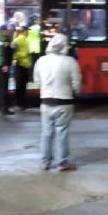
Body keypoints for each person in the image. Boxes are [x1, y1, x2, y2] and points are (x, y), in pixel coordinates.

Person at [33, 33, 81, 172]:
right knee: (62, 132)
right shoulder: (71, 61)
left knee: (46, 133)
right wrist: (74, 92)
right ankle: (62, 163)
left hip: (46, 102)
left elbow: (37, 82)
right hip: (65, 102)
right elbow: (76, 84)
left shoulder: (41, 61)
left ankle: (45, 162)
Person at [11, 25, 32, 110]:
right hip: (20, 65)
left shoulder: (25, 40)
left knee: (23, 85)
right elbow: (14, 53)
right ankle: (18, 103)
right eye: (27, 31)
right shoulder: (18, 40)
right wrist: (25, 54)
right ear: (24, 31)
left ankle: (22, 103)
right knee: (20, 85)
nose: (28, 33)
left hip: (25, 65)